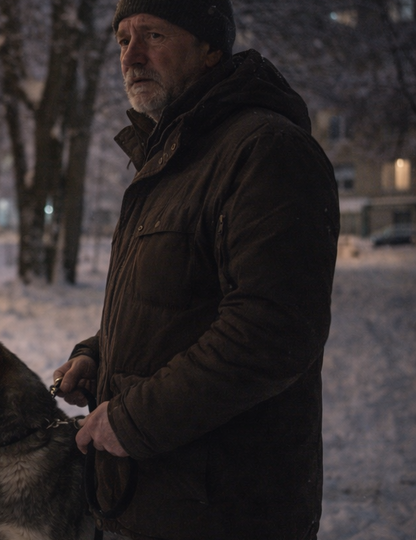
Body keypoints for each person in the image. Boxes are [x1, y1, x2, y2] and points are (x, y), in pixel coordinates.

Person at [51, 1, 339, 539]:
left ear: (210, 49)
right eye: (122, 41)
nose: (131, 56)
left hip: (223, 510)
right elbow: (170, 303)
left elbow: (272, 330)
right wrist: (98, 353)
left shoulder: (266, 152)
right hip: (150, 500)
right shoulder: (171, 159)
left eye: (153, 35)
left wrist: (133, 420)